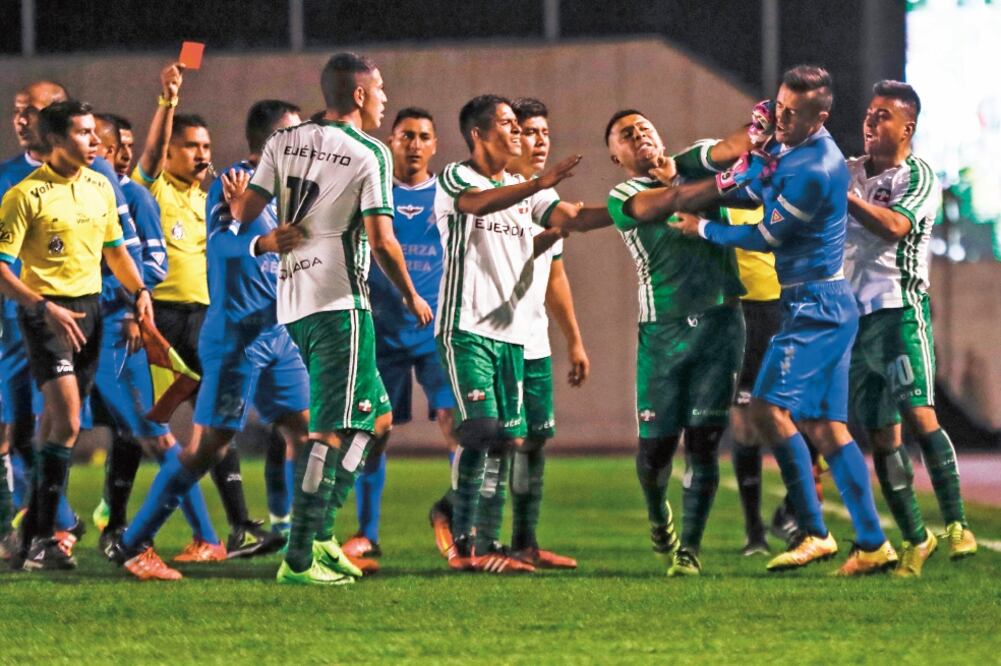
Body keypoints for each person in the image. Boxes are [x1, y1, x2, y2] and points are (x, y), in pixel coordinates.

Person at [667, 65, 898, 575]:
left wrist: (702, 225)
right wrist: (733, 180)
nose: (782, 118)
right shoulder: (798, 150)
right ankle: (873, 542)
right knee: (826, 427)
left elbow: (765, 237)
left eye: (794, 113)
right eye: (780, 107)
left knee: (769, 410)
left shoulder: (816, 168)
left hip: (812, 304)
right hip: (821, 302)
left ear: (822, 115)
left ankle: (814, 532)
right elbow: (762, 191)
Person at [226, 52, 432, 585]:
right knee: (331, 431)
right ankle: (299, 554)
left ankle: (319, 535)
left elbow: (244, 215)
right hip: (341, 301)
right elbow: (383, 240)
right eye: (380, 89)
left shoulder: (282, 142)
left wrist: (257, 238)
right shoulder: (369, 152)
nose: (384, 98)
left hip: (295, 301)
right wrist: (409, 295)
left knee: (377, 421)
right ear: (360, 95)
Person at [435, 94, 586, 574]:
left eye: (538, 132)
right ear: (481, 134)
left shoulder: (529, 192)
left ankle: (509, 542)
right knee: (486, 432)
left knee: (518, 440)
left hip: (519, 336)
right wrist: (542, 186)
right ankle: (465, 535)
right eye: (519, 128)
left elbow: (556, 244)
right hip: (472, 325)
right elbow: (476, 207)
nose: (529, 138)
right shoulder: (464, 178)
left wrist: (636, 210)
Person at [0, 100, 153, 570]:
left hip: (90, 313)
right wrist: (42, 306)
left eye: (94, 133)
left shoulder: (100, 187)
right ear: (56, 140)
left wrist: (140, 291)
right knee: (66, 420)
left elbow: (116, 252)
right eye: (84, 133)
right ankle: (47, 537)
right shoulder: (25, 195)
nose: (95, 142)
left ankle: (27, 536)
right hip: (46, 314)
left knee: (54, 425)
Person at [132, 62, 275, 556]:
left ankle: (234, 527)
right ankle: (128, 531)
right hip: (163, 320)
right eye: (191, 146)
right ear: (170, 151)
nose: (201, 155)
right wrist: (167, 101)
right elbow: (149, 156)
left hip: (206, 319)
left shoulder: (216, 196)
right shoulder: (152, 189)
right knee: (151, 432)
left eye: (207, 147)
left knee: (216, 425)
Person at [600, 110, 747, 576]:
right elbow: (670, 202)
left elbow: (731, 145)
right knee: (656, 450)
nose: (639, 135)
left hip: (722, 321)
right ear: (615, 155)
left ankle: (691, 550)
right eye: (626, 134)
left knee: (704, 442)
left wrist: (766, 124)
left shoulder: (695, 160)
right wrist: (732, 180)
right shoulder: (623, 195)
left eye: (645, 127)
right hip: (662, 332)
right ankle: (656, 512)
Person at [844, 79, 976, 575]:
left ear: (908, 127)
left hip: (899, 310)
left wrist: (846, 198)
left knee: (920, 416)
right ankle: (915, 539)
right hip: (855, 320)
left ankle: (957, 523)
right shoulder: (850, 170)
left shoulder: (917, 174)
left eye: (883, 116)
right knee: (882, 435)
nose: (871, 122)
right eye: (869, 114)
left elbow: (895, 226)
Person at [88, 113, 222, 563]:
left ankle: (202, 536)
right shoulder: (72, 195)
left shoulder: (135, 198)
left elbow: (153, 266)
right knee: (47, 428)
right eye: (111, 145)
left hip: (115, 329)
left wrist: (122, 302)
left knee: (154, 434)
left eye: (120, 146)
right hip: (68, 330)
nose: (120, 155)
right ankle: (49, 531)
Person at [341, 107, 458, 573]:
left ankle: (459, 520)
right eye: (405, 135)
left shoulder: (449, 196)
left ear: (434, 145)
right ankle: (367, 533)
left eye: (423, 136)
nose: (414, 143)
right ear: (390, 141)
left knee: (457, 423)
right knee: (375, 432)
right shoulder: (372, 192)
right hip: (381, 333)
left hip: (434, 334)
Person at [498, 97, 590, 569]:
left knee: (534, 440)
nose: (539, 141)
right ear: (509, 137)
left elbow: (553, 274)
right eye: (529, 132)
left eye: (544, 133)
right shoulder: (493, 190)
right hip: (493, 337)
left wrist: (573, 338)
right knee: (498, 440)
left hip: (533, 340)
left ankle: (524, 542)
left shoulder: (540, 196)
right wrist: (632, 208)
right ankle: (464, 527)